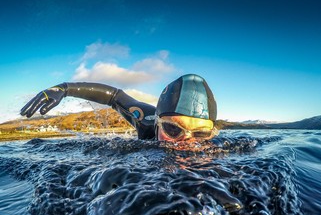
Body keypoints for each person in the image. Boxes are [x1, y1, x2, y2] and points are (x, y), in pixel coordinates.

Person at [20, 74, 218, 141]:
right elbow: (115, 96)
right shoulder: (146, 121)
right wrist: (65, 88)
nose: (186, 143)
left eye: (201, 134)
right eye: (173, 129)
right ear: (157, 122)